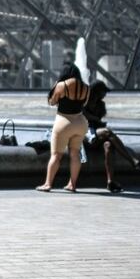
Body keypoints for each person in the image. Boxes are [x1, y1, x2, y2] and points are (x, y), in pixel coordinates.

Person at [82, 81, 140, 193]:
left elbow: (96, 120)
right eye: (104, 92)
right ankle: (133, 161)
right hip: (85, 135)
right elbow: (83, 116)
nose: (105, 95)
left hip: (96, 135)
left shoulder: (101, 105)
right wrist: (96, 120)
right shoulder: (83, 102)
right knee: (108, 132)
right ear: (97, 92)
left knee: (108, 145)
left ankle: (110, 181)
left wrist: (96, 121)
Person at [37, 63, 89, 192]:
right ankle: (72, 184)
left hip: (64, 121)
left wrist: (55, 86)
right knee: (75, 154)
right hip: (81, 122)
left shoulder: (62, 85)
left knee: (56, 155)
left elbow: (52, 102)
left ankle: (48, 184)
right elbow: (85, 103)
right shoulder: (87, 87)